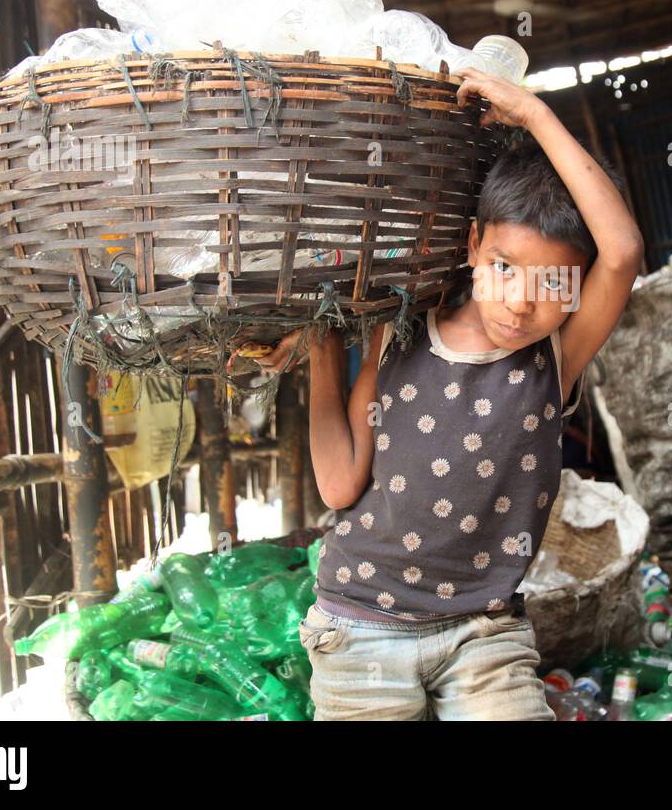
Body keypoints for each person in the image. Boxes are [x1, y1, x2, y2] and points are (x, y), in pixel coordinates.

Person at [255, 67, 644, 719]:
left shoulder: (554, 359)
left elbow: (624, 250)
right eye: (504, 267)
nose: (521, 303)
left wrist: (536, 114)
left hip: (484, 635)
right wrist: (322, 345)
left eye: (553, 285)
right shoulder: (395, 335)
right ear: (471, 245)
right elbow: (339, 485)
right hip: (360, 622)